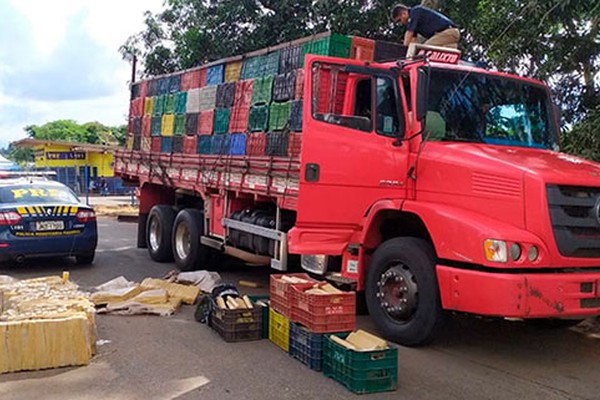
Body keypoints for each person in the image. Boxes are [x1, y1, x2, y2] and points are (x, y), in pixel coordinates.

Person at [391, 4, 460, 49]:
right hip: (446, 37)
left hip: (448, 32)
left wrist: (402, 50)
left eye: (399, 20)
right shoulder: (415, 23)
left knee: (423, 49)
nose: (401, 23)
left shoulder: (415, 12)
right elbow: (413, 41)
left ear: (404, 13)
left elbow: (409, 33)